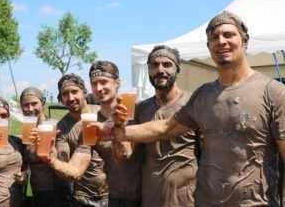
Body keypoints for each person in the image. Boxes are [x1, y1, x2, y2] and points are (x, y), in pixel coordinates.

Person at [98, 11, 285, 206]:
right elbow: (166, 128)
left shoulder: (273, 92)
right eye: (214, 37)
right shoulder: (203, 95)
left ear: (245, 41)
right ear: (208, 46)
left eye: (228, 35)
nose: (221, 41)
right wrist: (114, 131)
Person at [47, 61, 144, 206]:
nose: (99, 88)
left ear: (117, 83)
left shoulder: (138, 111)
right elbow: (75, 170)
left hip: (144, 197)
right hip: (107, 198)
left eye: (103, 82)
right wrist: (50, 159)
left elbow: (128, 152)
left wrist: (115, 128)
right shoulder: (89, 125)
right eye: (94, 83)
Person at [130, 45, 199, 206]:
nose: (160, 69)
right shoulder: (141, 109)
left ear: (178, 70)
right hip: (151, 198)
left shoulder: (193, 103)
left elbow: (208, 153)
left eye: (167, 64)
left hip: (187, 200)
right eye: (154, 65)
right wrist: (118, 126)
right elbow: (127, 153)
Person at [55, 73, 108, 206]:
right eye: (65, 94)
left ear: (84, 92)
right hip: (84, 198)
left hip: (114, 192)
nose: (70, 98)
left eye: (74, 92)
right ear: (61, 99)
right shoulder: (61, 128)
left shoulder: (103, 112)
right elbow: (66, 165)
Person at [20, 87, 72, 207]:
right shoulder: (26, 131)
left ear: (42, 103)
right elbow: (26, 163)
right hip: (36, 193)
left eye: (34, 104)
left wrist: (53, 151)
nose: (30, 109)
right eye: (26, 105)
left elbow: (66, 160)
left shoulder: (55, 127)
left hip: (58, 192)